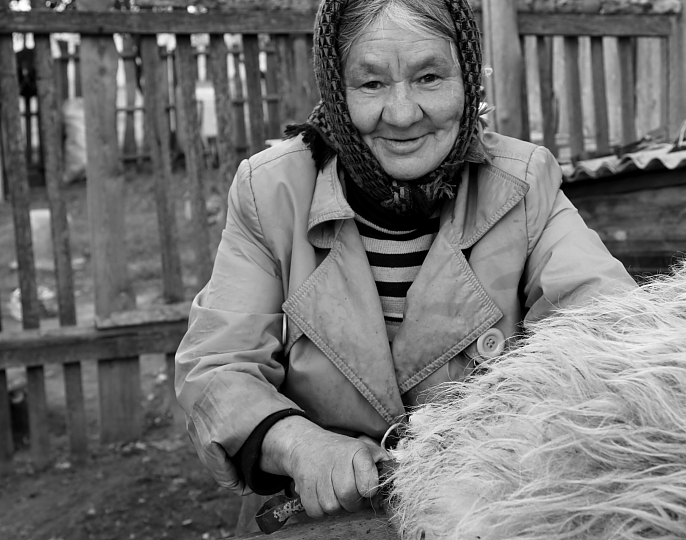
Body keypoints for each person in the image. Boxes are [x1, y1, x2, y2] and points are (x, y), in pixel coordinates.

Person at [174, 0, 636, 532]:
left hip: (488, 507)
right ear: (336, 89)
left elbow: (606, 327)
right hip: (323, 515)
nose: (401, 114)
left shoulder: (524, 184)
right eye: (370, 84)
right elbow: (218, 367)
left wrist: (503, 440)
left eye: (430, 77)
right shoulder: (271, 191)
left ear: (468, 80)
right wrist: (297, 444)